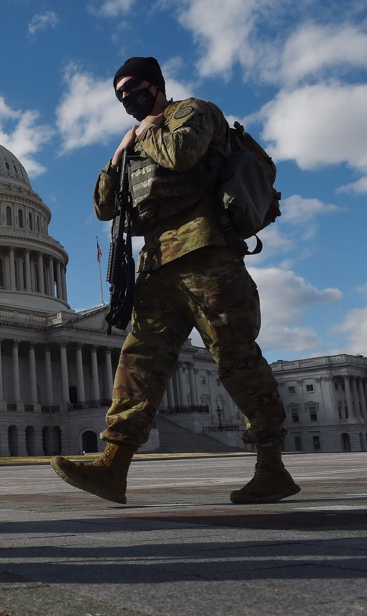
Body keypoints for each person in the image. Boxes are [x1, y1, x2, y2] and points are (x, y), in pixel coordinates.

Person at [51, 57, 300, 506]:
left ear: (156, 85)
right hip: (157, 262)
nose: (127, 99)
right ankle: (114, 464)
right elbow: (103, 206)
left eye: (133, 89)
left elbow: (182, 155)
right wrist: (118, 152)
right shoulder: (135, 139)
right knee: (138, 362)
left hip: (206, 252)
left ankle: (271, 465)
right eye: (120, 95)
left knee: (235, 356)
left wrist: (144, 131)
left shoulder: (192, 112)